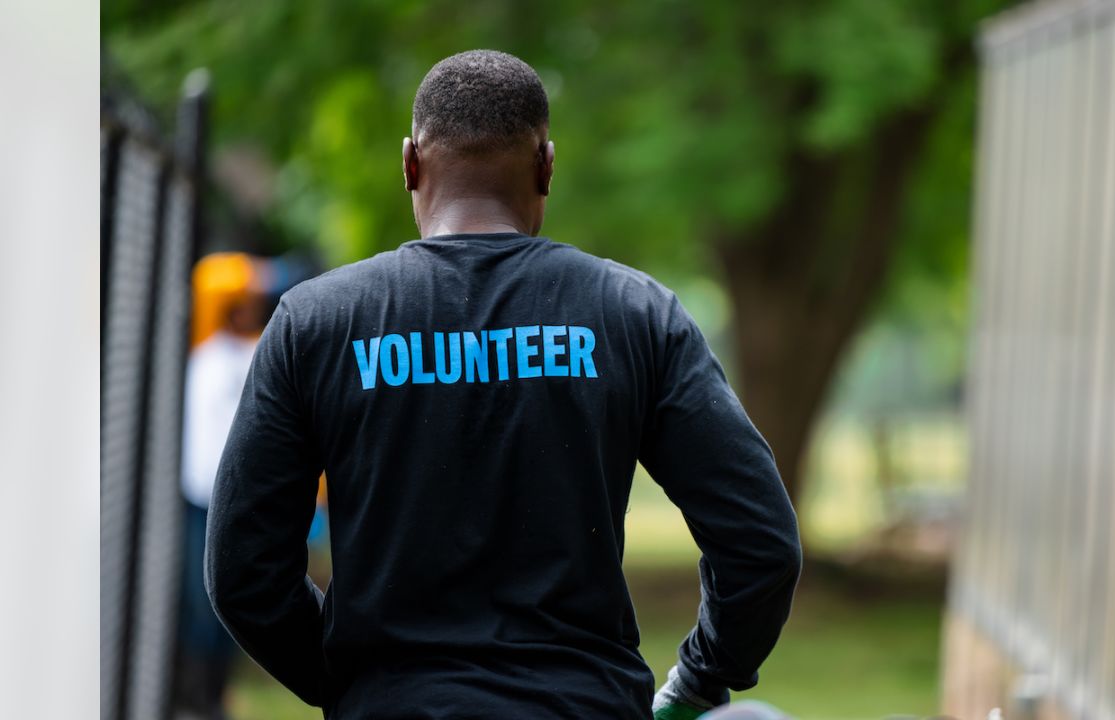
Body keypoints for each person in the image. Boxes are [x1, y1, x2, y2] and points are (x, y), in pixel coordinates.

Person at [206, 49, 802, 719]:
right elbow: (760, 544)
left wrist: (365, 689)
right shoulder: (634, 315)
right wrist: (701, 678)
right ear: (547, 166)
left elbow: (243, 572)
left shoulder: (316, 324)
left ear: (409, 163)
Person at [176, 252, 267, 719]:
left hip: (235, 500)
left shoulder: (257, 354)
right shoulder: (203, 357)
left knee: (226, 599)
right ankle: (196, 692)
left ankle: (215, 693)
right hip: (197, 495)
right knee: (195, 597)